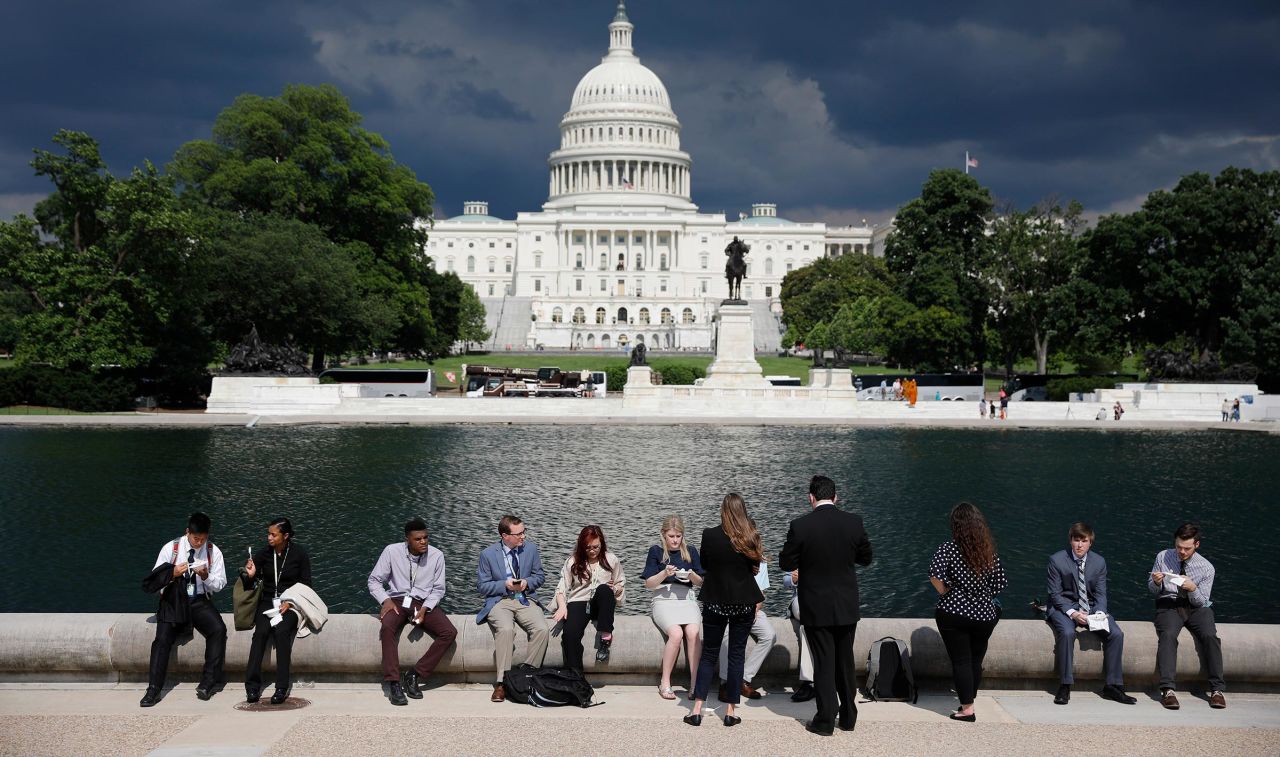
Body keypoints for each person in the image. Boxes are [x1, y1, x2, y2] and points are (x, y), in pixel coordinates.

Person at [779, 475, 873, 735]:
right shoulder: (853, 522)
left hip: (816, 605)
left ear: (811, 497)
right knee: (844, 660)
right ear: (835, 497)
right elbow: (866, 557)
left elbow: (786, 562)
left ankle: (825, 718)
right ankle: (849, 716)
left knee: (823, 663)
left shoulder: (801, 526)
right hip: (846, 603)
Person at [684, 494, 766, 728]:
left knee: (709, 654)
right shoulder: (750, 536)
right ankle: (730, 711)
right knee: (737, 654)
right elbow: (755, 567)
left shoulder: (710, 535)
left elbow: (706, 565)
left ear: (723, 511)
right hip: (743, 601)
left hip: (715, 600)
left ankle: (697, 709)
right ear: (743, 511)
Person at [928, 502, 1007, 722]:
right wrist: (981, 595)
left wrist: (945, 591)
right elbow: (1000, 584)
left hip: (954, 611)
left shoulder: (949, 548)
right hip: (984, 614)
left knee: (961, 660)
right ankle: (969, 696)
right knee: (975, 659)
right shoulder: (988, 551)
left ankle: (967, 709)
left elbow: (934, 575)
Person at [140, 512, 227, 707]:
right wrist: (172, 573)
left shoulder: (213, 551)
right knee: (162, 640)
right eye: (196, 539)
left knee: (218, 629)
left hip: (197, 599)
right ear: (187, 532)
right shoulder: (171, 548)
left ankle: (208, 682)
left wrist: (205, 577)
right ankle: (153, 689)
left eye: (203, 539)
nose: (199, 543)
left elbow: (220, 584)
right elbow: (153, 582)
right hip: (172, 600)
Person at [367, 517, 457, 706]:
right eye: (418, 539)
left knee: (449, 632)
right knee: (387, 628)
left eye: (426, 538)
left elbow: (438, 589)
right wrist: (385, 600)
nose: (423, 542)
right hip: (397, 601)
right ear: (407, 539)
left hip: (422, 602)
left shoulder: (437, 555)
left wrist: (425, 609)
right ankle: (393, 683)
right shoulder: (391, 551)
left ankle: (414, 675)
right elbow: (374, 581)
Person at [1045, 523, 1135, 705]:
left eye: (1083, 541)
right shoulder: (1057, 560)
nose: (1079, 545)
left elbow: (1101, 593)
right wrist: (1073, 613)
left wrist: (1099, 613)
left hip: (1091, 608)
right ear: (1070, 541)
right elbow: (1054, 594)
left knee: (1116, 634)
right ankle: (1065, 685)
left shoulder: (1099, 562)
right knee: (1068, 633)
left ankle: (1113, 686)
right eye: (1076, 540)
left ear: (1090, 543)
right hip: (1064, 607)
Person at [1149, 523, 1226, 710]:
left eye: (1186, 548)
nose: (1181, 552)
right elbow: (1152, 590)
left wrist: (1192, 589)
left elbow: (1202, 601)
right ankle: (1168, 689)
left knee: (1210, 636)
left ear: (1196, 545)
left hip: (1196, 606)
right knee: (1167, 635)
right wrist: (1156, 583)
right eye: (1178, 547)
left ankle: (1217, 689)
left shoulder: (1207, 568)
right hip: (1169, 604)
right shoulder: (1163, 556)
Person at [476, 514, 550, 703]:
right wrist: (504, 585)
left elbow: (539, 577)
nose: (523, 537)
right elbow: (483, 587)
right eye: (518, 534)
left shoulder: (531, 549)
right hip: (500, 600)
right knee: (507, 630)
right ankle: (502, 683)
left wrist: (526, 582)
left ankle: (528, 676)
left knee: (542, 629)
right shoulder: (488, 554)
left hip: (524, 598)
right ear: (504, 536)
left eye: (523, 532)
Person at [242, 517, 312, 705]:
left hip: (291, 603)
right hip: (267, 602)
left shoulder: (299, 554)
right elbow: (248, 581)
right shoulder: (263, 554)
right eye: (268, 534)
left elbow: (306, 584)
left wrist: (290, 603)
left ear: (286, 536)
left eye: (273, 534)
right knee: (260, 633)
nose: (269, 538)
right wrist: (249, 575)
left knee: (282, 633)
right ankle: (252, 685)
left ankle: (281, 687)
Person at [641, 515, 705, 700]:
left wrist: (692, 575)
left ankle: (695, 685)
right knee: (676, 634)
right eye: (671, 536)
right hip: (663, 598)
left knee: (693, 632)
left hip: (687, 598)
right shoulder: (656, 551)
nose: (675, 540)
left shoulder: (691, 551)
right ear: (664, 535)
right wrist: (664, 573)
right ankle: (665, 682)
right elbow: (649, 584)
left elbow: (701, 582)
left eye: (678, 536)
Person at [551, 525, 625, 675]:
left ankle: (605, 638)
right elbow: (562, 587)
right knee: (570, 634)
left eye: (596, 547)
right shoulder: (573, 561)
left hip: (601, 603)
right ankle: (576, 674)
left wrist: (615, 589)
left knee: (605, 589)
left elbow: (620, 583)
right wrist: (562, 606)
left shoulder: (611, 559)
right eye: (588, 547)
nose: (592, 551)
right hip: (579, 601)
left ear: (602, 543)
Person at [716, 558, 775, 701]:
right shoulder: (730, 557)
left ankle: (743, 679)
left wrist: (755, 610)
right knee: (726, 634)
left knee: (769, 635)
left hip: (752, 608)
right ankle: (726, 682)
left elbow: (760, 595)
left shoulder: (761, 562)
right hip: (730, 607)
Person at [782, 568, 816, 702]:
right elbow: (785, 580)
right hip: (802, 598)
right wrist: (794, 579)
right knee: (808, 622)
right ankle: (809, 682)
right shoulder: (801, 552)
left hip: (824, 598)